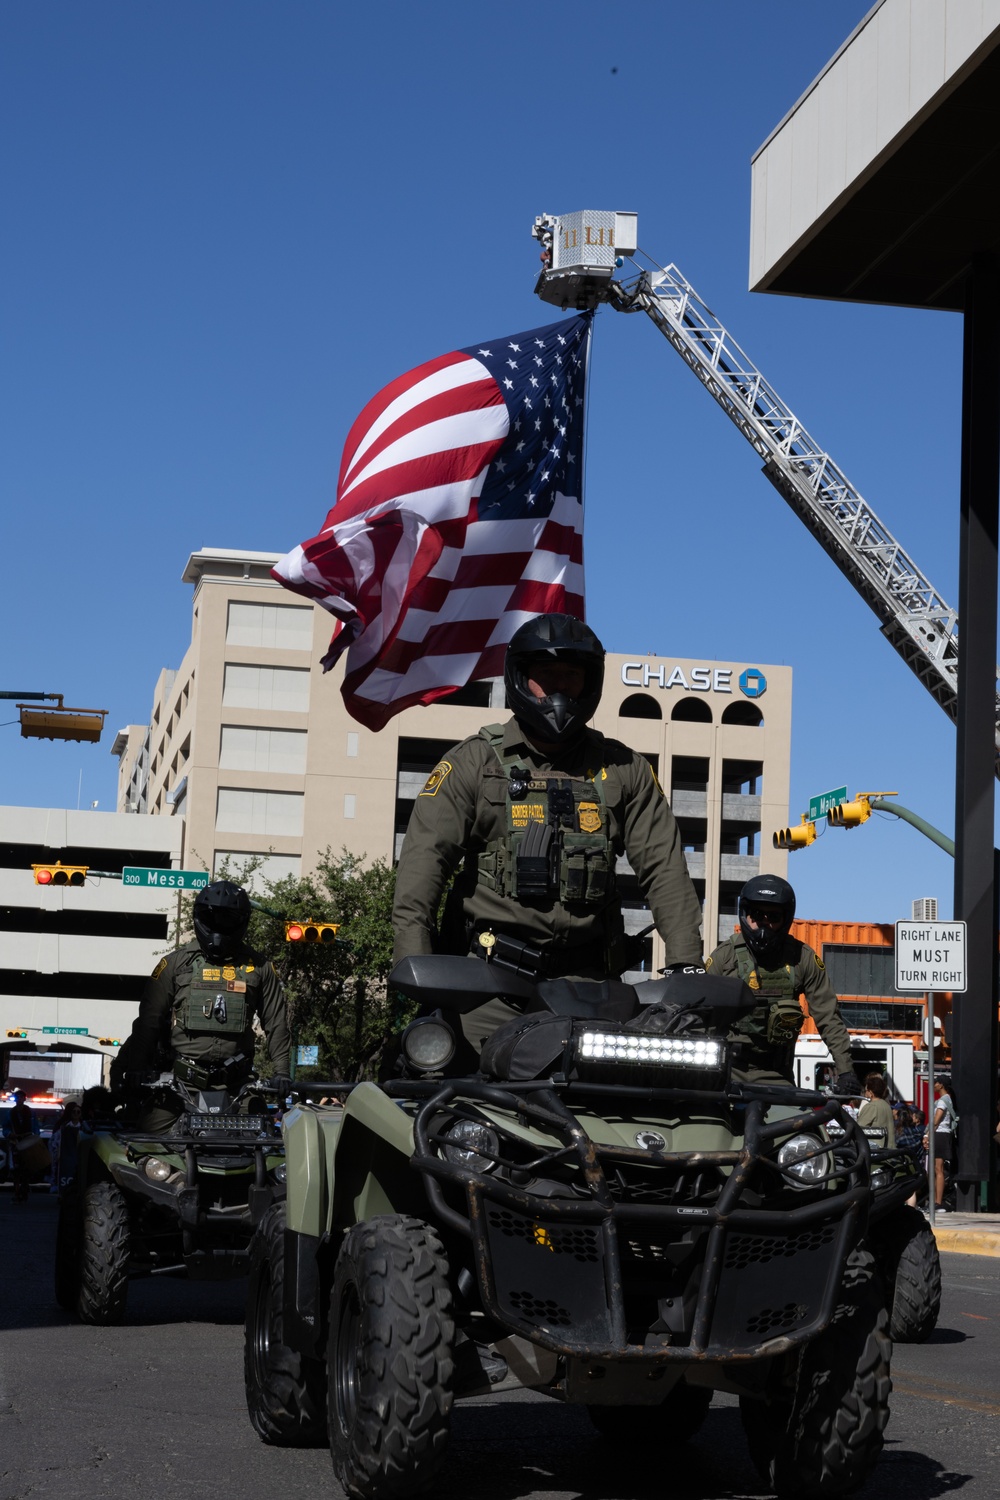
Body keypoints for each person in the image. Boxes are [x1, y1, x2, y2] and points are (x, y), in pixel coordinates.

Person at [392, 614, 704, 1053]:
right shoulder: (472, 763)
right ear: (521, 679)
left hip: (593, 989)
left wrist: (685, 965)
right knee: (448, 1089)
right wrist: (418, 970)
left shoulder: (624, 769)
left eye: (571, 676)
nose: (559, 689)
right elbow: (422, 869)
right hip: (487, 984)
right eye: (546, 675)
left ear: (589, 682)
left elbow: (665, 870)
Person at [111, 880, 291, 1131]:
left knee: (265, 1141)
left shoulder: (260, 968)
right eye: (212, 918)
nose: (219, 927)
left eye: (227, 920)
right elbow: (148, 1023)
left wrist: (282, 1073)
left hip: (237, 1086)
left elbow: (276, 1022)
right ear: (199, 918)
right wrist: (137, 1070)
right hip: (181, 1086)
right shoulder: (173, 965)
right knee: (148, 1142)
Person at [706, 875, 862, 1090]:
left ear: (786, 919)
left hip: (776, 1075)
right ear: (745, 914)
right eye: (757, 915)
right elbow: (698, 1014)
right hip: (726, 1072)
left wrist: (846, 1071)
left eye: (773, 916)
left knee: (797, 1123)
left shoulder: (803, 958)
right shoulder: (724, 957)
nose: (764, 923)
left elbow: (828, 1016)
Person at [924, 1079, 956, 1212]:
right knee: (936, 1169)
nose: (934, 1085)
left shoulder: (943, 1101)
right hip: (941, 1135)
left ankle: (938, 1202)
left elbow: (936, 1121)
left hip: (940, 1135)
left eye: (936, 1083)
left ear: (941, 1085)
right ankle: (935, 1201)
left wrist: (927, 1136)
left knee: (938, 1169)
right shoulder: (946, 1099)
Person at [4, 1089, 35, 1204]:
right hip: (15, 1143)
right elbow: (6, 1128)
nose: (19, 1100)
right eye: (18, 1098)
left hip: (27, 1143)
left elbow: (35, 1127)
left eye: (21, 1098)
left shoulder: (31, 1112)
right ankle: (17, 1192)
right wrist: (9, 1134)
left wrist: (34, 1138)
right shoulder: (10, 1113)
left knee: (26, 1169)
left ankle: (24, 1190)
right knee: (16, 1170)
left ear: (24, 1099)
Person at [857, 1072, 896, 1147]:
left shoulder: (871, 1106)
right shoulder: (886, 1105)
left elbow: (859, 1128)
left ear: (871, 1092)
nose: (865, 1093)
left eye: (866, 1090)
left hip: (876, 1150)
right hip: (889, 1149)